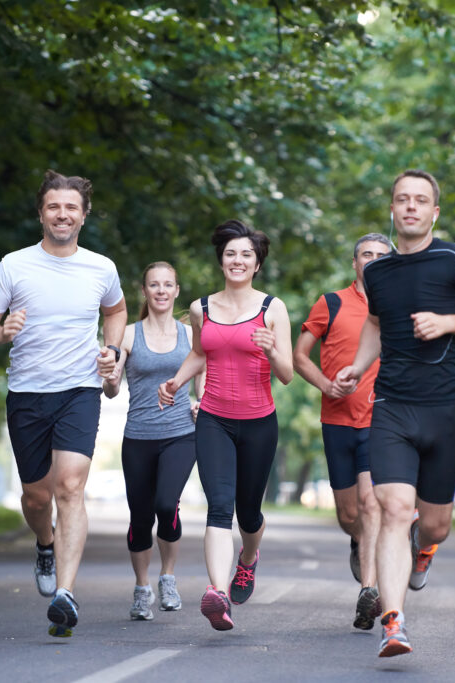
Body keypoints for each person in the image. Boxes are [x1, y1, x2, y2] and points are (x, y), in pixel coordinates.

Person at [334, 170, 455, 657]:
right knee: (391, 511)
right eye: (402, 200)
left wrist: (448, 321)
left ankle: (423, 550)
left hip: (446, 409)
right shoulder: (378, 272)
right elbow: (374, 322)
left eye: (421, 200)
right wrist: (357, 367)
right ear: (392, 209)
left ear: (434, 212)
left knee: (434, 525)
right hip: (391, 407)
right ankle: (394, 622)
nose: (410, 207)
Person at [0, 170, 126, 638]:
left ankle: (66, 593)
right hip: (27, 393)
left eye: (71, 207)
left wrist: (113, 351)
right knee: (37, 497)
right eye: (54, 206)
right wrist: (2, 332)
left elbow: (117, 310)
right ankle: (44, 542)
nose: (63, 214)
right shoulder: (14, 266)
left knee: (71, 485)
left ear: (84, 214)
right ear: (41, 213)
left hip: (79, 389)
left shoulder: (101, 268)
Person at [158, 219, 293, 631]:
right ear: (222, 260)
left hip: (258, 422)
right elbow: (201, 354)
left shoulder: (274, 309)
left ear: (257, 264)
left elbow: (287, 374)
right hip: (214, 418)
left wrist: (271, 351)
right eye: (231, 253)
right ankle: (217, 594)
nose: (237, 260)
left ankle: (248, 559)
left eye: (246, 255)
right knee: (219, 506)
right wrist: (177, 381)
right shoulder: (202, 308)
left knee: (248, 512)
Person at [293, 232, 393, 631]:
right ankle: (358, 541)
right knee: (349, 513)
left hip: (381, 419)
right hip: (336, 420)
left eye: (380, 255)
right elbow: (300, 356)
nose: (372, 260)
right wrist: (325, 384)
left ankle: (369, 591)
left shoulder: (398, 305)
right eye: (365, 255)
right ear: (355, 263)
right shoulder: (330, 303)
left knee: (371, 505)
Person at [103, 262, 203, 621]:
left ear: (177, 291)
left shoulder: (191, 334)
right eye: (153, 285)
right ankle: (142, 587)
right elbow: (111, 391)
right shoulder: (128, 334)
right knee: (141, 516)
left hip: (181, 434)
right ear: (144, 292)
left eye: (167, 285)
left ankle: (168, 577)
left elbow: (203, 373)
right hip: (139, 437)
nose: (161, 291)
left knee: (166, 503)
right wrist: (112, 379)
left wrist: (201, 402)